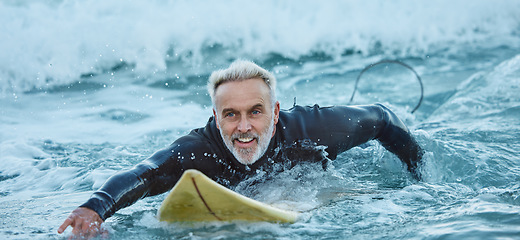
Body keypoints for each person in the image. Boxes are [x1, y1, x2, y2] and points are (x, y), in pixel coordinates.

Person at [58, 60, 423, 238]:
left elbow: (382, 118)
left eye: (256, 112)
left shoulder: (313, 130)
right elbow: (146, 173)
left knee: (341, 195)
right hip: (243, 194)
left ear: (276, 112)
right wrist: (95, 209)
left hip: (317, 178)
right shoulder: (199, 151)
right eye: (230, 115)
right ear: (216, 118)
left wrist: (418, 175)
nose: (244, 127)